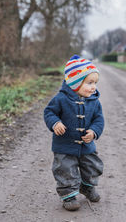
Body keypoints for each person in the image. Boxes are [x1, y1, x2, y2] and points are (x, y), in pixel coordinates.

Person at [44, 54, 104, 211]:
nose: (94, 87)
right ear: (75, 83)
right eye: (90, 83)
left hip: (86, 146)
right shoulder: (61, 99)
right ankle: (69, 195)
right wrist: (55, 122)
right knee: (65, 170)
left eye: (95, 83)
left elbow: (99, 119)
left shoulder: (94, 101)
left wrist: (93, 131)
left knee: (92, 167)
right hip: (64, 146)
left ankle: (87, 186)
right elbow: (49, 112)